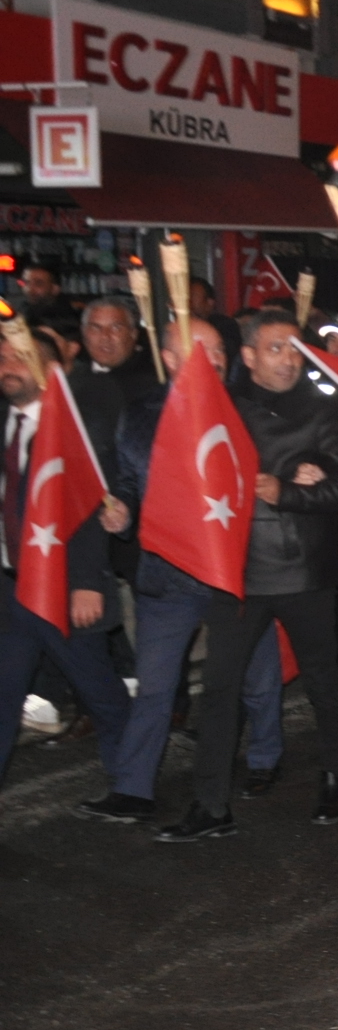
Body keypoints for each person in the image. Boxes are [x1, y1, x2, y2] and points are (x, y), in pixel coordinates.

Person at [160, 309, 338, 840]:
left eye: (295, 348)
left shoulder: (325, 410)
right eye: (275, 348)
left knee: (325, 683)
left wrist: (288, 491)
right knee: (221, 689)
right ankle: (210, 805)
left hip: (303, 572)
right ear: (248, 356)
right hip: (236, 573)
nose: (288, 358)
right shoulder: (221, 406)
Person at [76, 324, 286, 824]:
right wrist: (122, 510)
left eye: (219, 349)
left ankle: (264, 757)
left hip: (233, 568)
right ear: (170, 358)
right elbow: (128, 480)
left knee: (255, 675)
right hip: (167, 574)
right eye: (202, 349)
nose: (215, 357)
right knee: (154, 688)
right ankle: (132, 788)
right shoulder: (144, 413)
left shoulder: (243, 408)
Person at [0, 331, 132, 797]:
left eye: (21, 358)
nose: (7, 365)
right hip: (11, 587)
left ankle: (131, 783)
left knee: (101, 694)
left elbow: (91, 511)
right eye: (3, 357)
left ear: (50, 371)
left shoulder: (75, 429)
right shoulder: (5, 424)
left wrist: (86, 582)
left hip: (60, 587)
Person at [79, 295, 158, 406]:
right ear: (84, 333)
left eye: (116, 328)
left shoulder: (152, 384)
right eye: (95, 328)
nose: (105, 336)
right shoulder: (73, 376)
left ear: (133, 334)